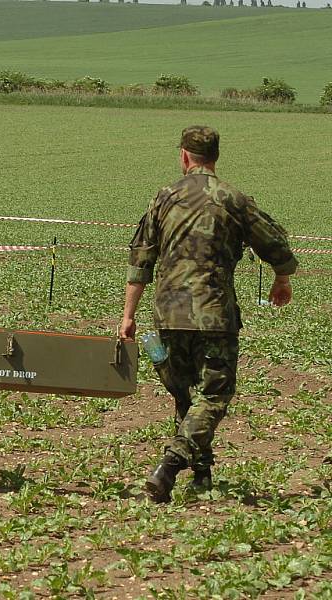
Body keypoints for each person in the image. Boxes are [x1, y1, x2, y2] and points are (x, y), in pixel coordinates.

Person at [120, 126, 297, 503]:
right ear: (215, 156)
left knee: (184, 392)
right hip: (214, 316)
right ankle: (170, 467)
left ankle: (201, 476)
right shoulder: (233, 199)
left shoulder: (164, 198)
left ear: (184, 156)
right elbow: (275, 244)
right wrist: (281, 278)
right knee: (214, 395)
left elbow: (141, 259)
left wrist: (128, 315)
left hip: (166, 317)